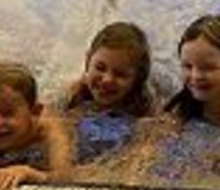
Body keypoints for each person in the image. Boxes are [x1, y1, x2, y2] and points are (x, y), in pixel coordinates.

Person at [0, 63, 73, 190]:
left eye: (7, 114)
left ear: (35, 112)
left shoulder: (53, 133)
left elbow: (65, 178)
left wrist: (31, 174)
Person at [62, 20, 161, 162]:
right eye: (100, 68)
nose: (107, 80)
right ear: (88, 62)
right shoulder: (75, 92)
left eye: (120, 74)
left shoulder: (146, 105)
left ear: (136, 80)